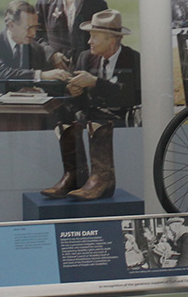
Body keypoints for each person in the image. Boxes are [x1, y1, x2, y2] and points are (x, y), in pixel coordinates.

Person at [41, 10, 141, 201]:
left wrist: (95, 82)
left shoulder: (132, 59)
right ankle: (74, 176)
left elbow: (130, 96)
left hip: (118, 119)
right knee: (63, 121)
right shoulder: (86, 57)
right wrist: (74, 91)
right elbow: (72, 100)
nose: (89, 41)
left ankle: (101, 179)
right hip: (89, 117)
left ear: (111, 40)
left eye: (94, 36)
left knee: (95, 124)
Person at [35, 0, 109, 70]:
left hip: (87, 71)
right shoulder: (45, 3)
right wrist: (52, 54)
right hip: (53, 70)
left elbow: (104, 39)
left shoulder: (97, 4)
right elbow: (36, 35)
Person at [0, 0, 70, 94]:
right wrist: (39, 75)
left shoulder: (35, 48)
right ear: (11, 25)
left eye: (35, 27)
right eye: (28, 27)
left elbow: (47, 83)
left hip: (24, 107)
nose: (33, 33)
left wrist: (39, 90)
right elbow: (0, 72)